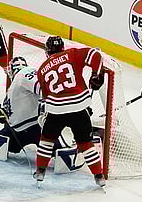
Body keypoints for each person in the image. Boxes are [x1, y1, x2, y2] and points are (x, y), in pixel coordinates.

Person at [33, 36, 106, 187]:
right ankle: (99, 176)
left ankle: (40, 171)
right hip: (79, 107)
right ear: (62, 48)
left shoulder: (41, 69)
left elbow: (46, 97)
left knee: (46, 140)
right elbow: (96, 54)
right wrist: (96, 74)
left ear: (47, 51)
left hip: (56, 110)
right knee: (86, 144)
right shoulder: (72, 54)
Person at [0, 56, 84, 173]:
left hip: (35, 129)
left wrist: (47, 110)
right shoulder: (14, 87)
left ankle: (76, 146)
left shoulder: (24, 73)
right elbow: (11, 112)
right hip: (16, 131)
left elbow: (44, 89)